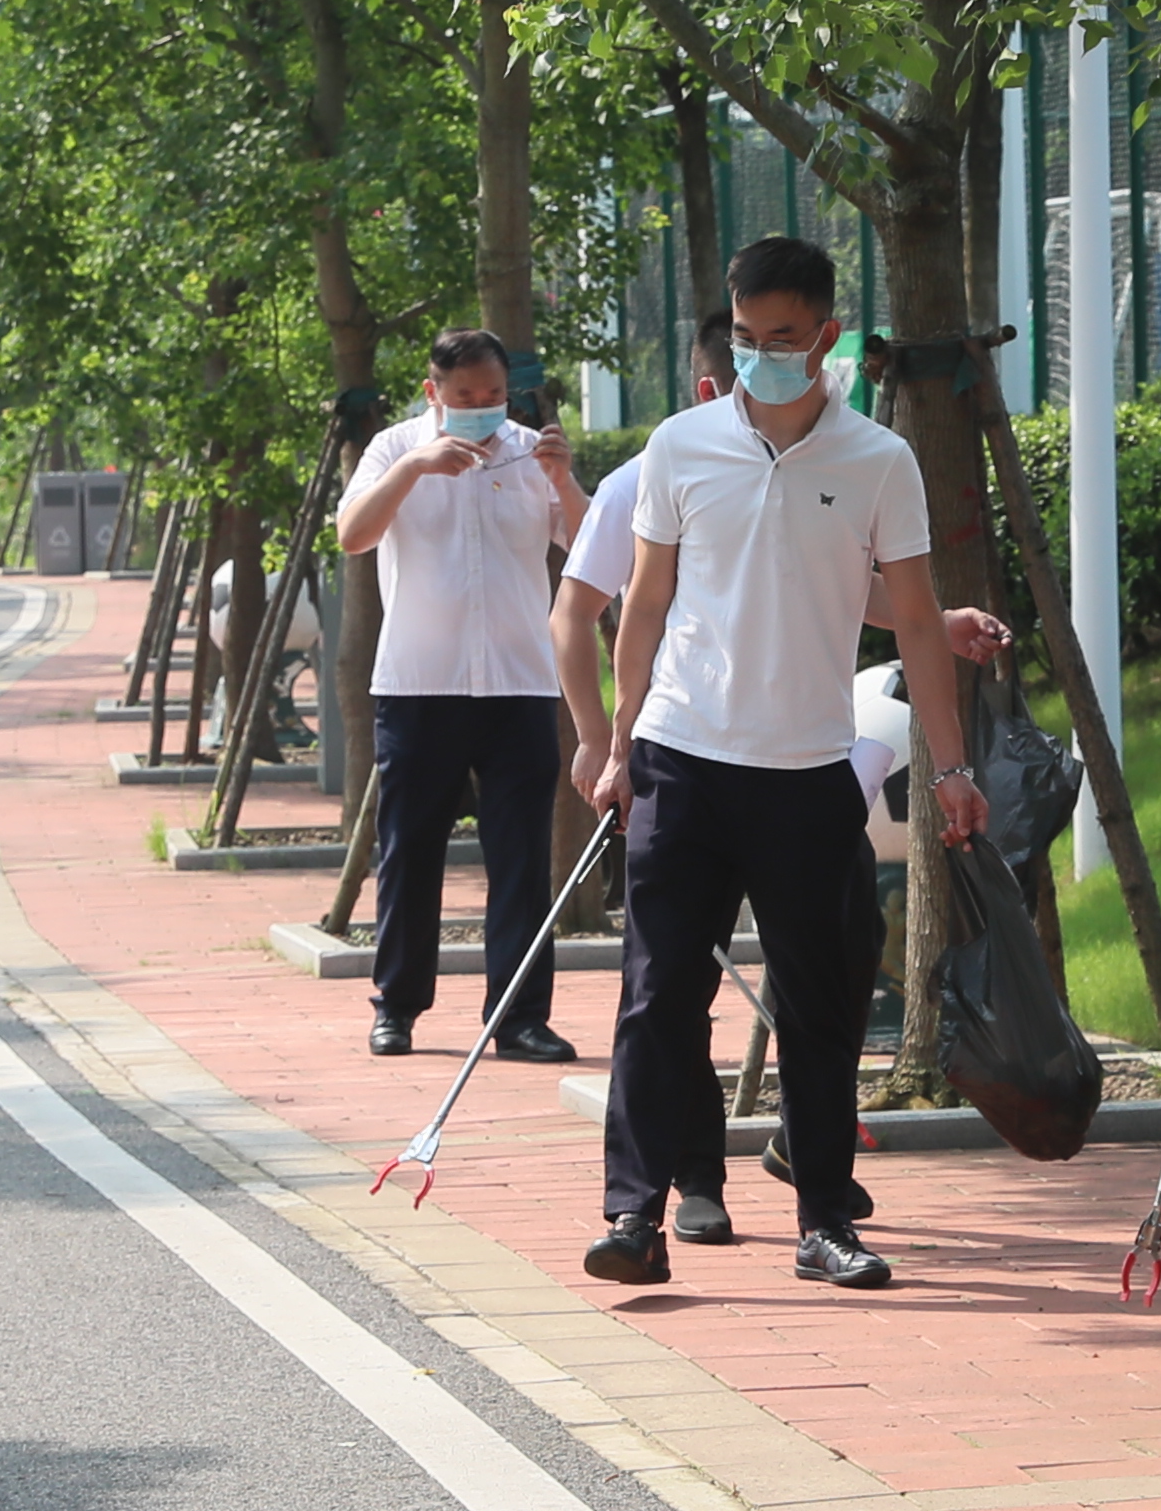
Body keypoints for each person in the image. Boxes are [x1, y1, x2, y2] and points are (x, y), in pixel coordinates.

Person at [578, 237, 980, 1292]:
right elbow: (646, 606)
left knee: (821, 1001)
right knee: (658, 994)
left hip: (807, 771)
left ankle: (823, 1222)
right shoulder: (680, 446)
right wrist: (619, 747)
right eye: (748, 340)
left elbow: (921, 625)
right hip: (682, 757)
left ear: (827, 339)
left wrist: (951, 768)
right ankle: (633, 1215)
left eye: (785, 340)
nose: (764, 357)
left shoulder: (878, 462)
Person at [339, 323, 584, 1060]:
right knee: (410, 850)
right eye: (466, 396)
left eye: (495, 395)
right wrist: (415, 467)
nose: (483, 409)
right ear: (433, 391)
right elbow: (352, 534)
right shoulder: (393, 449)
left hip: (519, 682)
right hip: (421, 684)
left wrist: (564, 480)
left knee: (520, 858)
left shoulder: (528, 450)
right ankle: (398, 1006)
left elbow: (592, 545)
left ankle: (518, 1017)